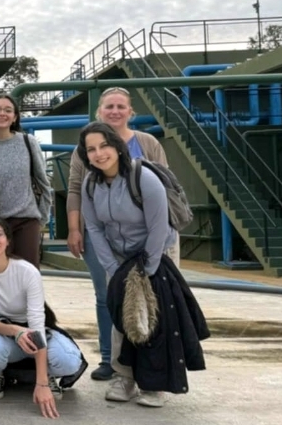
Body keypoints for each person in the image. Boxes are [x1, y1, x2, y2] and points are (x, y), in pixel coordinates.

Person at [66, 86, 173, 381]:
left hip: (149, 238)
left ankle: (154, 368)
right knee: (107, 296)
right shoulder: (84, 149)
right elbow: (76, 189)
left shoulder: (147, 143)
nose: (114, 111)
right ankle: (110, 360)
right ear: (99, 111)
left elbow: (165, 187)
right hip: (105, 236)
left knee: (154, 299)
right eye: (109, 107)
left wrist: (155, 254)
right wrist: (75, 229)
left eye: (120, 107)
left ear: (130, 112)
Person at [78, 122, 178, 408]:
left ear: (116, 146)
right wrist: (113, 267)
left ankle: (154, 384)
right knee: (121, 318)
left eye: (104, 146)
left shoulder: (143, 177)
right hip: (119, 259)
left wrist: (147, 267)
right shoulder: (90, 184)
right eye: (91, 149)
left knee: (153, 318)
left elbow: (159, 226)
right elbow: (94, 228)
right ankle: (125, 378)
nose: (99, 154)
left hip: (154, 253)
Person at [0, 216, 84, 419]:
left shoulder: (27, 271)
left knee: (69, 362)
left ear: (7, 240)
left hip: (35, 334)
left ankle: (44, 376)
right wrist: (15, 331)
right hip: (3, 333)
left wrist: (41, 383)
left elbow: (37, 324)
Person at [0, 95, 52, 268]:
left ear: (14, 117)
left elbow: (44, 184)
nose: (2, 114)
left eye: (8, 110)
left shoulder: (28, 143)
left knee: (28, 277)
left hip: (25, 222)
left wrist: (40, 219)